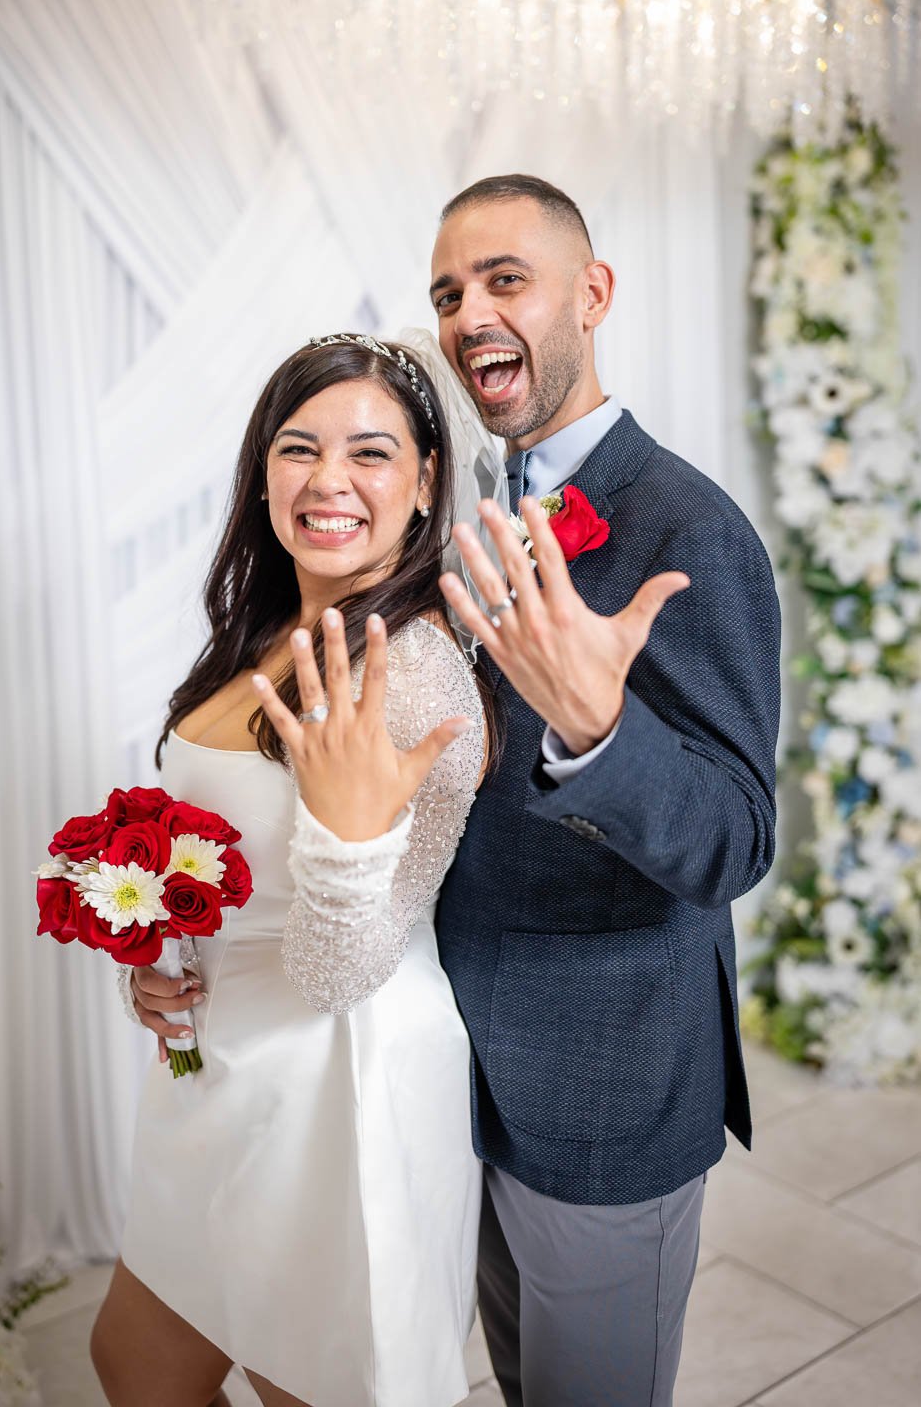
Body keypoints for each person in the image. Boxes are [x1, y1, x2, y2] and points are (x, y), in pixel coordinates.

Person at [90, 335, 495, 1407]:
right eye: (297, 446)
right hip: (224, 1053)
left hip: (338, 1074)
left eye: (369, 453)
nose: (326, 480)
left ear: (421, 488)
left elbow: (339, 969)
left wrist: (353, 835)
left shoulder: (410, 668)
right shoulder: (263, 629)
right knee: (134, 1359)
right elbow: (220, 847)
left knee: (311, 1381)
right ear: (260, 470)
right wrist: (157, 953)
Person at [431, 174, 782, 1407]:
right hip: (460, 1067)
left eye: (504, 279)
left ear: (592, 295)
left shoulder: (691, 526)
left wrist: (598, 728)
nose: (470, 312)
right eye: (449, 292)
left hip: (604, 1079)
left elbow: (734, 838)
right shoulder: (466, 509)